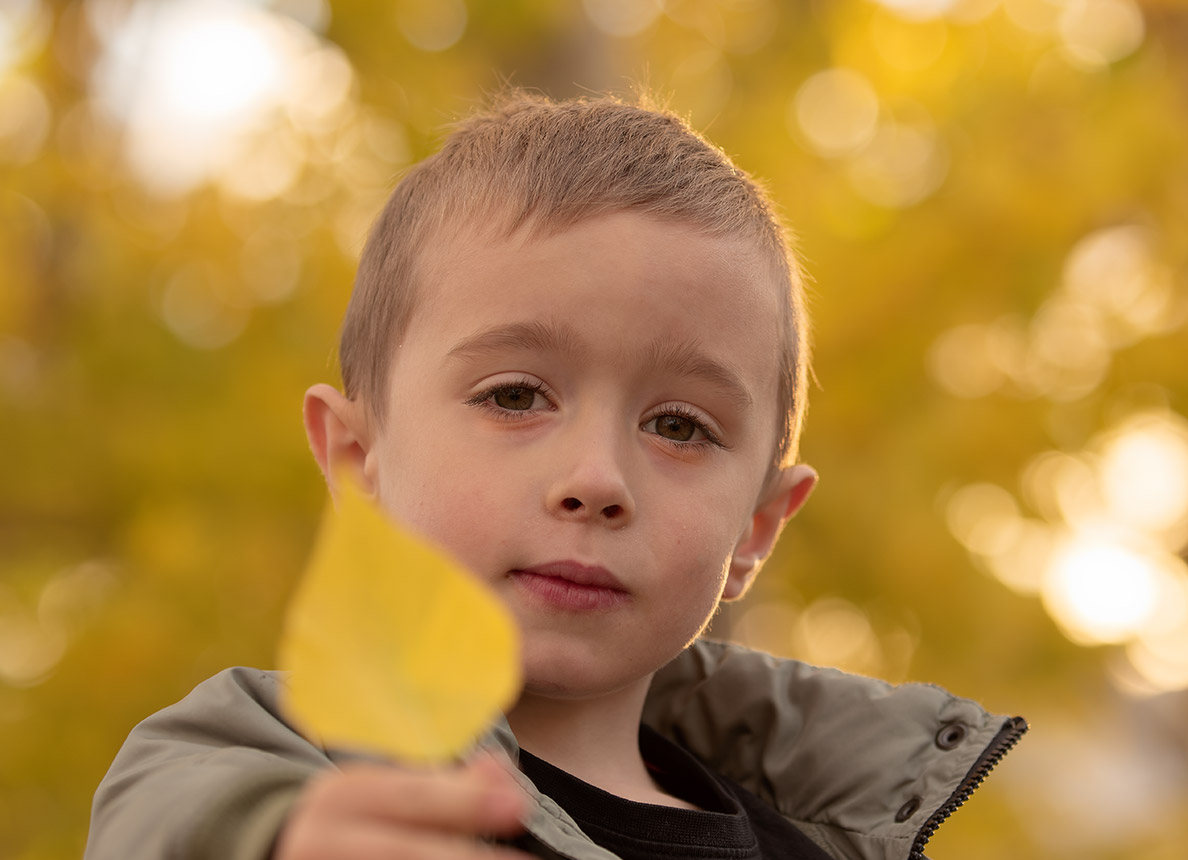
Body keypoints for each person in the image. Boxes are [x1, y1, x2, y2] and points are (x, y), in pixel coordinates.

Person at [85, 91, 1025, 860]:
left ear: (755, 530)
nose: (594, 478)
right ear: (358, 464)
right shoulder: (282, 757)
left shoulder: (818, 841)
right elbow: (163, 824)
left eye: (677, 425)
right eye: (514, 396)